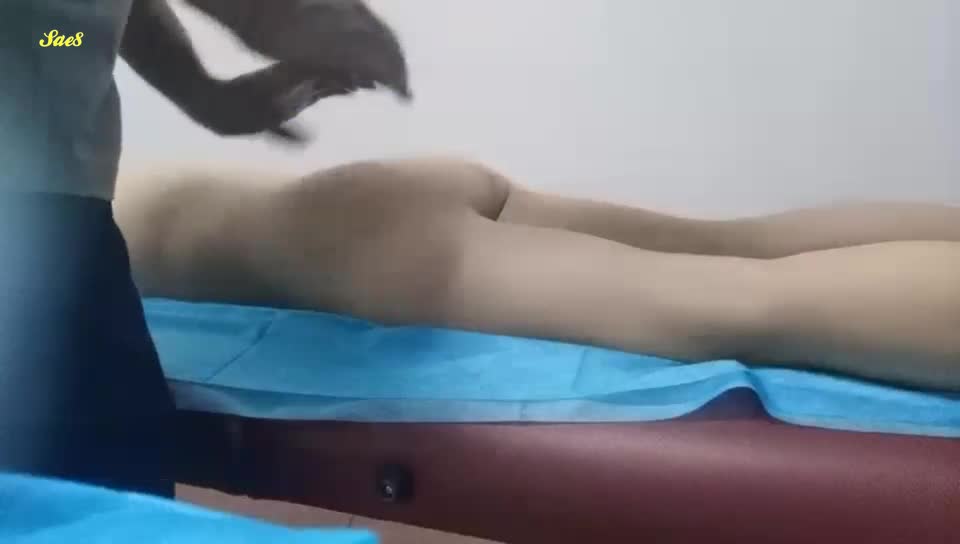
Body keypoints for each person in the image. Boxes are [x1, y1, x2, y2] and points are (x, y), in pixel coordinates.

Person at [0, 0, 407, 498]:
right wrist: (268, 15)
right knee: (98, 488)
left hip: (70, 234)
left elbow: (70, 28)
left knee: (120, 487)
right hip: (35, 239)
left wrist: (201, 91)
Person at [115, 157, 960, 392]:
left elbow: (65, 35)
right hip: (379, 202)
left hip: (354, 250)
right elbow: (75, 35)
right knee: (743, 249)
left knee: (743, 301)